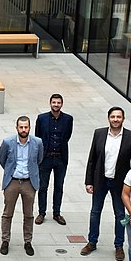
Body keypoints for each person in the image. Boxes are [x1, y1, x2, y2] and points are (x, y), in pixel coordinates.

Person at [81, 107, 131, 261]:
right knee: (95, 212)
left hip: (120, 183)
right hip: (100, 180)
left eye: (119, 117)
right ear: (108, 118)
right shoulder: (99, 133)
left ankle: (119, 245)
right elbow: (92, 159)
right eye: (113, 116)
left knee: (120, 214)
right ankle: (92, 242)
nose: (116, 119)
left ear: (123, 119)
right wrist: (89, 181)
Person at [0, 116, 44, 256]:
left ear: (29, 128)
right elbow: (2, 160)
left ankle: (27, 241)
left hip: (29, 182)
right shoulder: (7, 142)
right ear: (16, 128)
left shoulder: (37, 142)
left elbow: (39, 160)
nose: (23, 130)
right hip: (12, 182)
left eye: (26, 127)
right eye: (21, 127)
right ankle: (5, 240)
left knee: (29, 214)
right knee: (7, 214)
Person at [34, 93, 74, 225]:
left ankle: (57, 213)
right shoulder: (42, 118)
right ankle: (41, 212)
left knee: (59, 186)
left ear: (62, 104)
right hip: (46, 158)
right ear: (50, 103)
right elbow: (38, 137)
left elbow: (67, 136)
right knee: (43, 186)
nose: (56, 105)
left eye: (58, 103)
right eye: (54, 102)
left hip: (61, 158)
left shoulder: (68, 119)